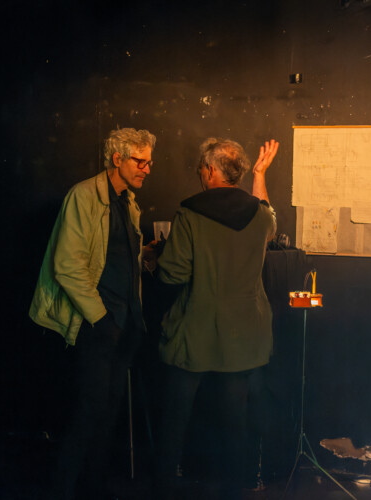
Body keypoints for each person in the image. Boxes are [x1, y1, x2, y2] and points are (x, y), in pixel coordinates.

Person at [29, 127, 158, 499]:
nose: (147, 169)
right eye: (140, 161)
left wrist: (148, 255)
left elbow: (115, 257)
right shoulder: (84, 195)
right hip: (96, 322)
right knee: (89, 412)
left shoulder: (128, 201)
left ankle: (93, 487)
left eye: (149, 162)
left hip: (124, 322)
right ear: (118, 159)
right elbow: (67, 265)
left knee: (108, 413)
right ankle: (63, 489)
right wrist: (100, 319)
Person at [153, 137, 279, 499]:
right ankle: (233, 489)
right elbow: (268, 216)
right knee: (234, 421)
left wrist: (157, 258)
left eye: (201, 168)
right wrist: (260, 175)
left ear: (210, 170)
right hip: (244, 335)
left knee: (175, 419)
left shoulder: (190, 214)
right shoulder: (261, 216)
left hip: (195, 331)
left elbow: (173, 273)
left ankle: (164, 487)